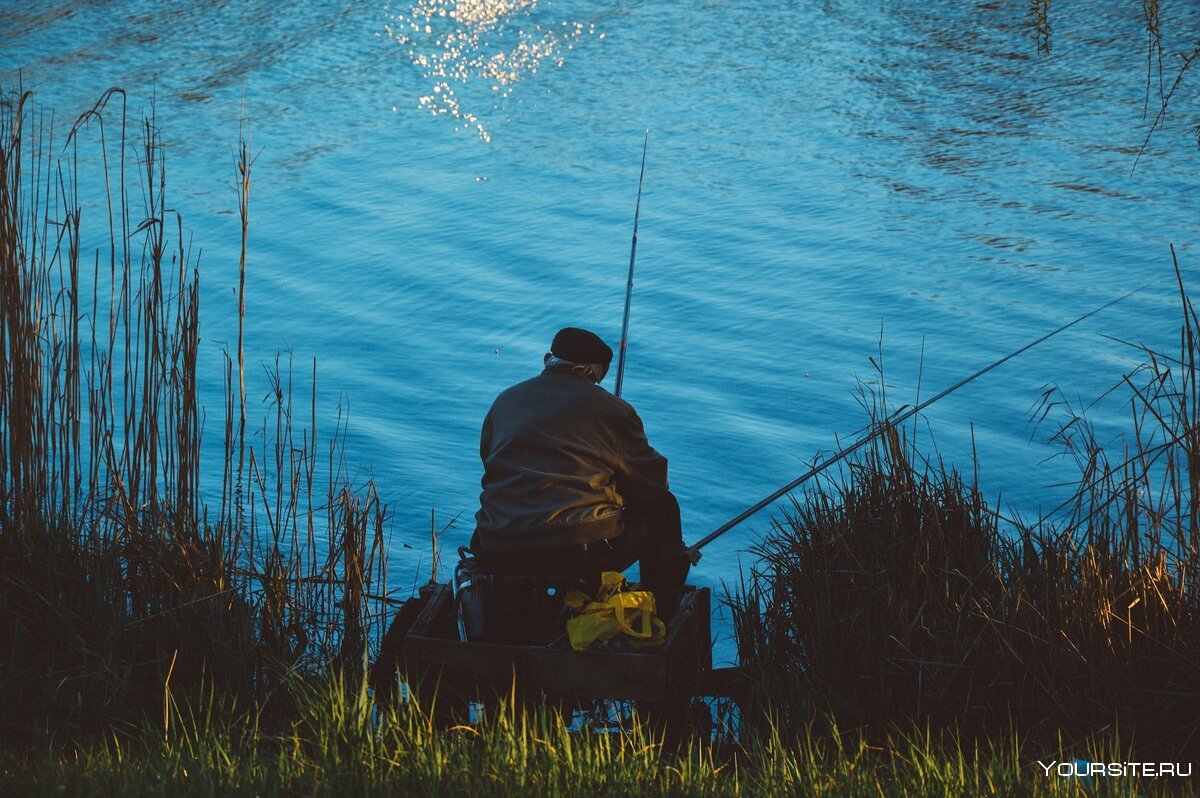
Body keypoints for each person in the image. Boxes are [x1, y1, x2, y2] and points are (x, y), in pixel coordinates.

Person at [469, 327, 694, 619]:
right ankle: (661, 612)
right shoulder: (612, 409)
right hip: (576, 553)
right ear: (596, 372)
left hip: (496, 548)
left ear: (548, 358)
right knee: (663, 508)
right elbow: (652, 485)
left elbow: (490, 461)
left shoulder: (504, 401)